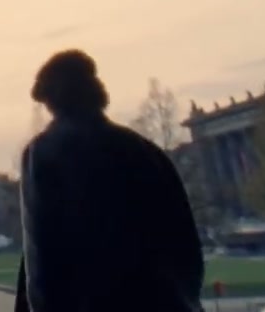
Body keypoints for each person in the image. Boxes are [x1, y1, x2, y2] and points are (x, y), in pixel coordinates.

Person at [16, 49, 204, 312]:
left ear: (53, 100)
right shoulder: (144, 150)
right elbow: (186, 245)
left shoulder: (44, 153)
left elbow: (43, 256)